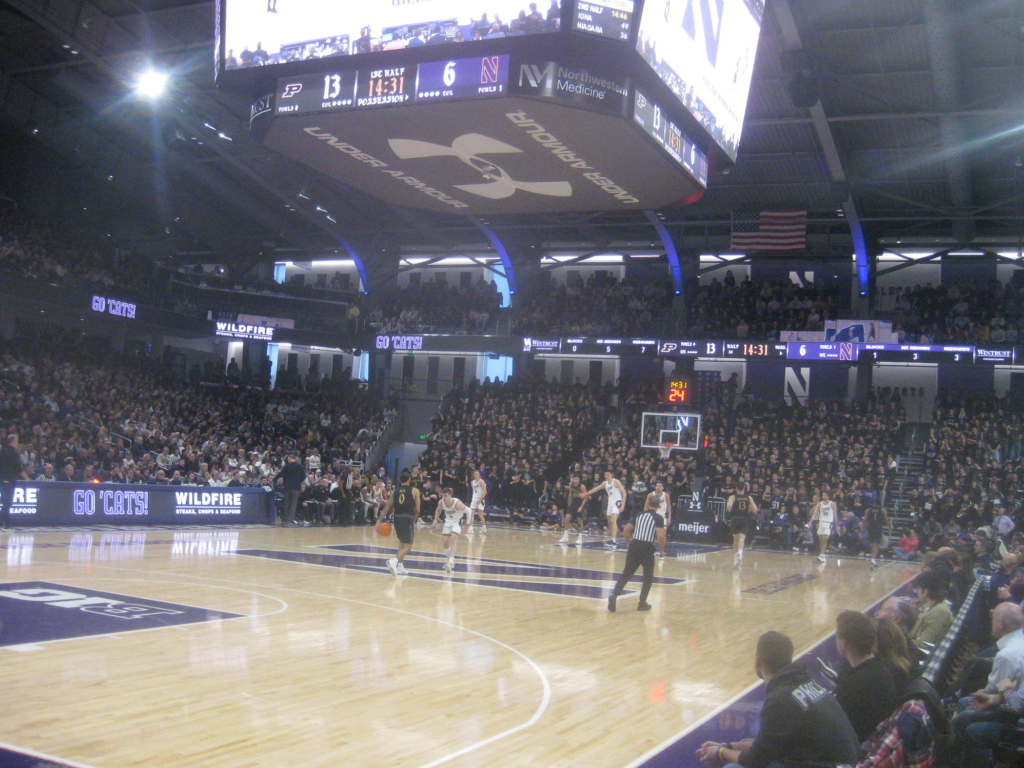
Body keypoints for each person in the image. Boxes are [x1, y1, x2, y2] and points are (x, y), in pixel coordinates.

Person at [696, 631, 860, 768]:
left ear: (758, 661)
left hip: (830, 764)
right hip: (844, 761)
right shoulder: (804, 681)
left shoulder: (779, 699)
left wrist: (720, 753)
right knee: (746, 745)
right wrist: (728, 746)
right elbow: (766, 745)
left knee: (733, 767)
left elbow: (756, 760)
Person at [951, 602, 1024, 768]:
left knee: (971, 728)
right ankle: (956, 758)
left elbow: (1017, 704)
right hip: (1013, 709)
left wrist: (1002, 692)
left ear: (1000, 624)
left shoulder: (1007, 654)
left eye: (993, 617)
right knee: (965, 707)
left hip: (1017, 721)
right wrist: (996, 698)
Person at [833, 611, 900, 742]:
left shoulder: (851, 685)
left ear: (843, 643)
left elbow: (838, 730)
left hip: (860, 750)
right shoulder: (885, 667)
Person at [607, 502, 661, 612]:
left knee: (626, 573)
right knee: (648, 576)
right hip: (647, 548)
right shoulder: (658, 518)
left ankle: (614, 594)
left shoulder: (639, 514)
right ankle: (642, 603)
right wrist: (662, 550)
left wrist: (628, 542)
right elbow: (660, 535)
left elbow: (626, 530)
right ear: (658, 506)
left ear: (649, 504)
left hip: (634, 545)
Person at [380, 470, 420, 577]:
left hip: (397, 518)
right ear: (409, 480)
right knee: (408, 546)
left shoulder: (395, 491)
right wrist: (414, 520)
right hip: (407, 518)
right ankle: (394, 560)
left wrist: (379, 520)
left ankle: (400, 566)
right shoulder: (415, 491)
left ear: (400, 480)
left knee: (402, 543)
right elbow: (418, 510)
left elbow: (388, 506)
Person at [579, 470, 628, 551]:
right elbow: (595, 489)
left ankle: (613, 541)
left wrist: (623, 504)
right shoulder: (605, 483)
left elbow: (624, 492)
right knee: (610, 522)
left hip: (617, 502)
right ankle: (617, 535)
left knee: (613, 520)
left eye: (608, 474)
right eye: (605, 474)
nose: (606, 476)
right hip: (610, 503)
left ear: (611, 475)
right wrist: (586, 494)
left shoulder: (616, 482)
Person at [908, 569, 955, 650]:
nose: (917, 592)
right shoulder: (935, 607)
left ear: (925, 592)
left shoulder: (939, 612)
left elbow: (923, 644)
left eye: (918, 589)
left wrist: (900, 642)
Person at [432, 487, 469, 573]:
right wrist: (436, 519)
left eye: (445, 496)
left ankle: (450, 562)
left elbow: (469, 511)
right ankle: (450, 562)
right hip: (448, 522)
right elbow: (438, 510)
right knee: (444, 542)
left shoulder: (457, 503)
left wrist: (468, 524)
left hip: (457, 522)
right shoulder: (441, 502)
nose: (444, 498)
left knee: (453, 539)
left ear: (450, 496)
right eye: (442, 496)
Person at [1, 434, 31, 529]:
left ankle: (6, 524)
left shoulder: (2, 450)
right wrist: (26, 477)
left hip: (2, 479)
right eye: (17, 441)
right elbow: (18, 467)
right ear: (12, 442)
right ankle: (5, 523)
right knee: (8, 503)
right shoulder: (13, 453)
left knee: (5, 502)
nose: (18, 443)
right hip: (9, 480)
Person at [726, 484, 758, 568]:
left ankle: (736, 560)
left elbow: (729, 506)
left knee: (735, 540)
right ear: (744, 488)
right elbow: (755, 509)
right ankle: (740, 552)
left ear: (736, 488)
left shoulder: (733, 497)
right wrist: (751, 509)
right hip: (744, 519)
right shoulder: (748, 497)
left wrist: (730, 509)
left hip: (734, 519)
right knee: (741, 539)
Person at [807, 489, 837, 564]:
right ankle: (822, 554)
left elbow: (835, 515)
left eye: (826, 495)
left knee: (825, 538)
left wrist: (837, 526)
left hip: (828, 523)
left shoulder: (832, 504)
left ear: (828, 496)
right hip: (821, 522)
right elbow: (815, 513)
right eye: (823, 495)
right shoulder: (820, 504)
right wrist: (810, 521)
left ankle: (823, 555)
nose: (824, 496)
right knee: (820, 539)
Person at [273, 455, 305, 525]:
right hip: (296, 487)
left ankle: (286, 519)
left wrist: (274, 479)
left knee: (287, 503)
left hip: (287, 487)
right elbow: (303, 476)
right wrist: (298, 482)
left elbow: (280, 474)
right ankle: (291, 519)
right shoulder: (299, 466)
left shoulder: (286, 466)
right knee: (293, 504)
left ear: (290, 459)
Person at [644, 481, 671, 558]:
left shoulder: (666, 496)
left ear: (662, 488)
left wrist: (669, 517)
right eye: (657, 486)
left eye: (660, 486)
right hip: (652, 515)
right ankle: (651, 549)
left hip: (662, 516)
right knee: (651, 534)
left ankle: (662, 550)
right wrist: (646, 515)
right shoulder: (650, 495)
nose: (658, 487)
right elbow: (646, 506)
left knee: (661, 535)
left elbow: (669, 507)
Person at [559, 472, 588, 546]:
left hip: (580, 504)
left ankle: (580, 538)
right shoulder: (570, 484)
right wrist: (569, 503)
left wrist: (581, 507)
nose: (575, 480)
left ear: (579, 479)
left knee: (579, 521)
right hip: (573, 504)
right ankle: (565, 536)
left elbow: (586, 497)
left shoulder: (582, 486)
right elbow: (570, 494)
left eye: (576, 479)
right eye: (574, 479)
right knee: (566, 519)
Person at [865, 505, 889, 569]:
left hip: (870, 528)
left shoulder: (868, 510)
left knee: (873, 544)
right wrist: (890, 527)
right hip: (878, 528)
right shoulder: (882, 510)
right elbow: (886, 520)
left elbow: (865, 520)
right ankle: (873, 560)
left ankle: (873, 560)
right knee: (875, 544)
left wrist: (861, 531)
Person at [467, 468, 488, 534]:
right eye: (474, 474)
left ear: (479, 475)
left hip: (480, 499)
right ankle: (471, 528)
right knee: (471, 513)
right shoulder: (472, 482)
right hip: (474, 498)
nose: (475, 475)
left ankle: (484, 527)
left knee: (480, 514)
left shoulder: (481, 481)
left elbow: (485, 492)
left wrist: (480, 499)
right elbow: (474, 491)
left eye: (477, 474)